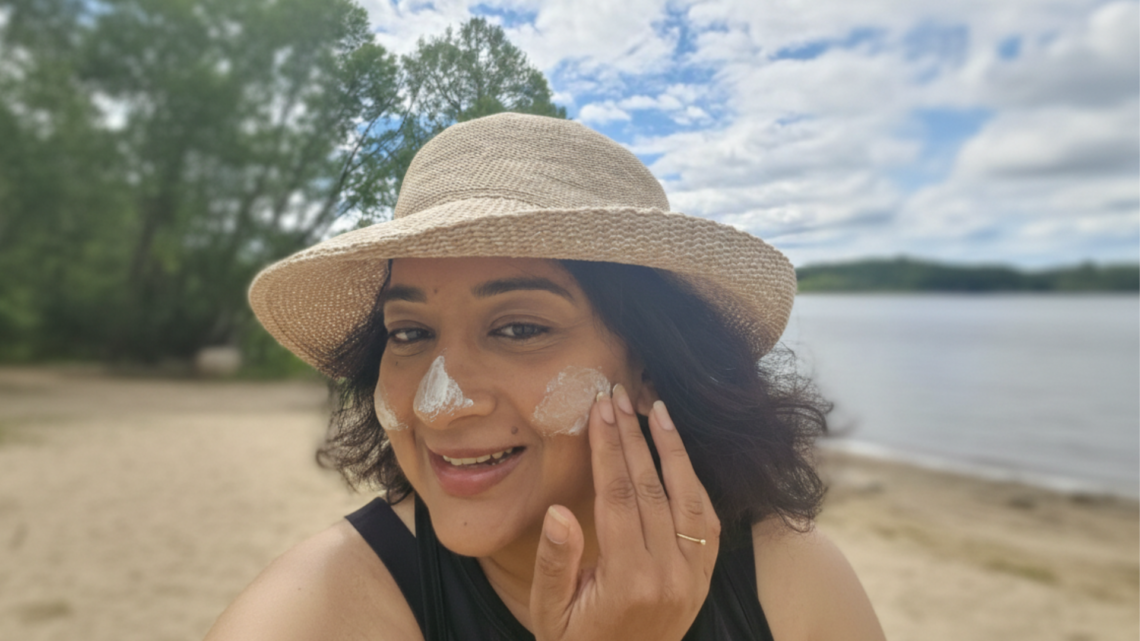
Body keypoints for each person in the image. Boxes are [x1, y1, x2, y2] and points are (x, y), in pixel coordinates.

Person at [205, 113, 886, 640]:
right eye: (408, 333)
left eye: (519, 328)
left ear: (651, 365)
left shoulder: (786, 579)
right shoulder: (315, 611)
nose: (440, 406)